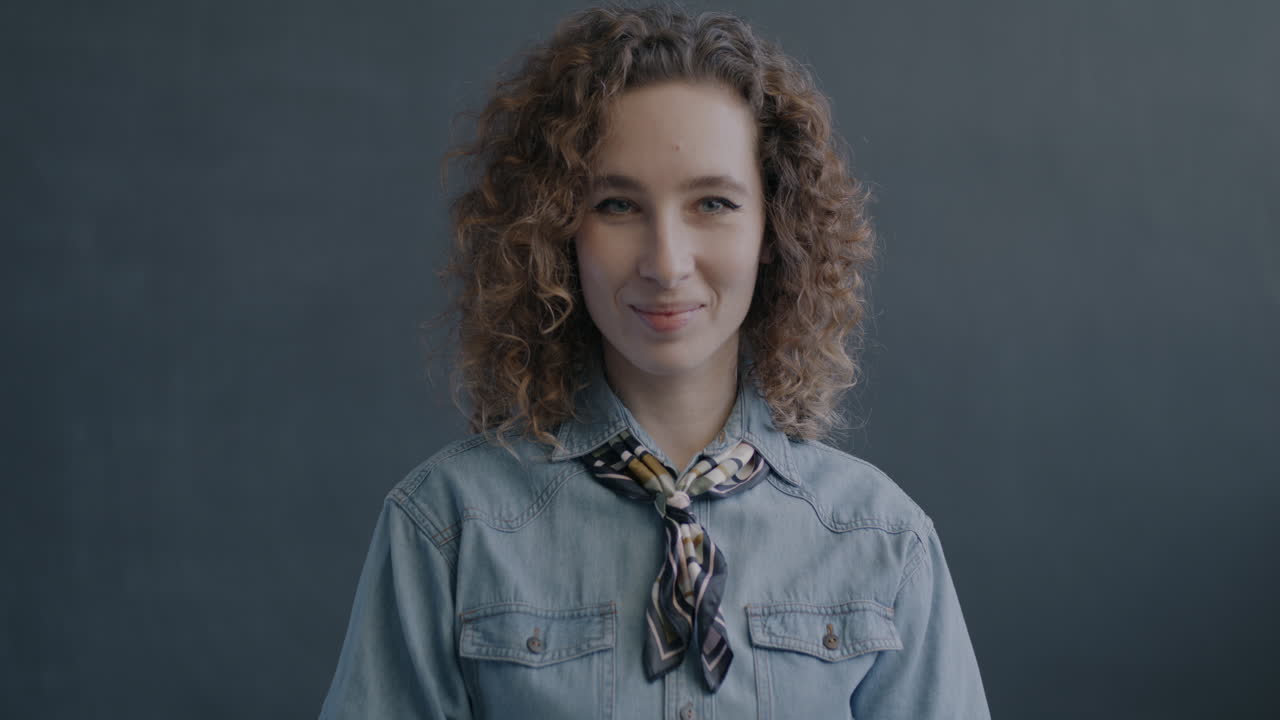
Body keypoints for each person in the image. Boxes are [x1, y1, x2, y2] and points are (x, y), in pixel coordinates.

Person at [319, 3, 989, 718]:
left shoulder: (882, 541)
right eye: (616, 205)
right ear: (557, 229)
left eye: (713, 204)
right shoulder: (446, 531)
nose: (666, 264)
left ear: (775, 228)